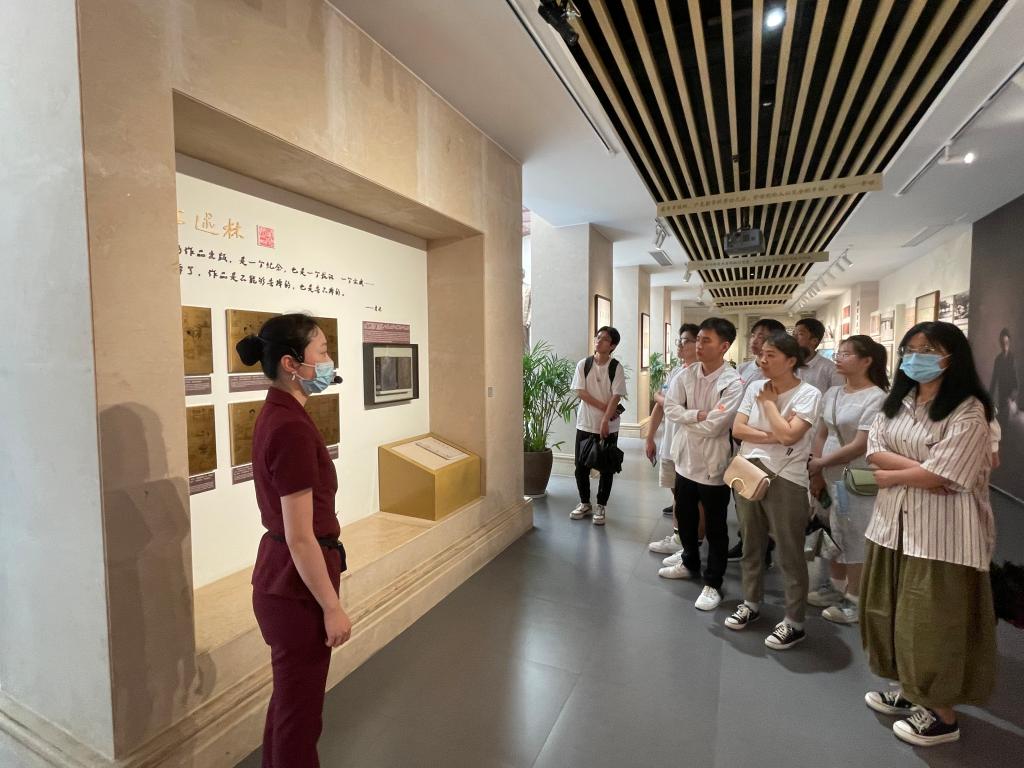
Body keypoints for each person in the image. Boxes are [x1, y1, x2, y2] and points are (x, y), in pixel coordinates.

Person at [861, 322, 996, 747]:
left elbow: (948, 474)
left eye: (927, 350)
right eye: (910, 349)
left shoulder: (969, 410)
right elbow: (874, 450)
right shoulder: (896, 402)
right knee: (891, 612)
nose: (915, 357)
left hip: (942, 535)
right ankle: (910, 690)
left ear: (951, 357)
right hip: (892, 527)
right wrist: (923, 472)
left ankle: (942, 716)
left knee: (932, 623)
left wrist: (894, 475)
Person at [235, 314, 352, 768]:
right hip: (295, 587)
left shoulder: (280, 415)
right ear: (291, 363)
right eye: (321, 351)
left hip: (285, 577)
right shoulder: (290, 427)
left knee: (290, 705)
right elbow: (302, 536)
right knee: (299, 716)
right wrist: (332, 607)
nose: (328, 360)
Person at [726, 332, 822, 649]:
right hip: (749, 470)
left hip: (787, 477)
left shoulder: (808, 394)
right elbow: (738, 429)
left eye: (771, 355)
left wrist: (768, 405)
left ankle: (794, 621)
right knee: (751, 543)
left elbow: (792, 436)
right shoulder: (754, 386)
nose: (763, 360)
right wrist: (775, 434)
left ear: (791, 360)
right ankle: (751, 603)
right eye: (762, 354)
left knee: (789, 550)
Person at [658, 318, 744, 611]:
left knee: (716, 526)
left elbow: (716, 426)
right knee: (685, 516)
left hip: (713, 465)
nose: (698, 345)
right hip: (685, 460)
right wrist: (697, 415)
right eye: (698, 339)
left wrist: (689, 417)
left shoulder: (733, 382)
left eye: (706, 340)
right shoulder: (686, 374)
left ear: (724, 346)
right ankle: (689, 562)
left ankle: (713, 582)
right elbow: (671, 409)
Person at [806, 336, 889, 624]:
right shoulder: (832, 393)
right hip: (828, 474)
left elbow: (859, 444)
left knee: (856, 535)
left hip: (856, 477)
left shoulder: (877, 398)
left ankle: (855, 598)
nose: (838, 358)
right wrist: (816, 470)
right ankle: (835, 585)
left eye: (846, 354)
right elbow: (820, 433)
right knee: (832, 531)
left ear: (867, 361)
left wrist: (820, 463)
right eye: (839, 353)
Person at [728, 318, 786, 563]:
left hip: (769, 446)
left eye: (762, 336)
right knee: (743, 494)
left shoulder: (785, 377)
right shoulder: (742, 369)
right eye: (754, 335)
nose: (755, 340)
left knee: (766, 498)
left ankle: (765, 547)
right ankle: (747, 541)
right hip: (741, 441)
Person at [647, 324, 699, 556]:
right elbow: (660, 405)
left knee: (691, 498)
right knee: (676, 493)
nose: (680, 345)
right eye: (679, 340)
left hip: (690, 446)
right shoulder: (676, 371)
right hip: (669, 443)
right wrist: (650, 437)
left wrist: (661, 398)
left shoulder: (700, 374)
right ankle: (680, 537)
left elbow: (668, 401)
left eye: (685, 340)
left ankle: (690, 543)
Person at [570, 326, 627, 525]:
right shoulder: (584, 364)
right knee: (580, 467)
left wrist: (605, 420)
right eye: (598, 337)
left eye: (604, 339)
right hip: (585, 423)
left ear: (612, 345)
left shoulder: (615, 367)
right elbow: (581, 392)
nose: (598, 341)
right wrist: (605, 410)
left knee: (606, 468)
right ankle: (585, 502)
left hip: (609, 426)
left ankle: (601, 505)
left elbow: (616, 395)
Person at [793, 318, 845, 394]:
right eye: (794, 334)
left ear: (814, 341)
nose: (794, 338)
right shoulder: (788, 365)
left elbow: (839, 396)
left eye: (800, 334)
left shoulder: (830, 369)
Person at [989, 327, 1018, 429]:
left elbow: (1016, 384)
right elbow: (994, 381)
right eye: (1002, 343)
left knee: (1009, 426)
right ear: (1000, 343)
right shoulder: (998, 360)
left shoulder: (1013, 359)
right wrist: (988, 398)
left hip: (1011, 401)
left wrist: (1011, 399)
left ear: (1009, 342)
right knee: (1000, 426)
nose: (1004, 345)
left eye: (1006, 342)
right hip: (1001, 399)